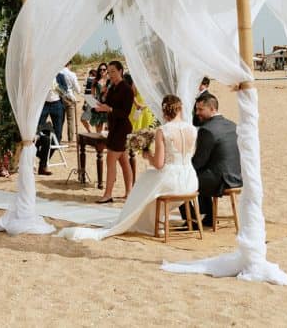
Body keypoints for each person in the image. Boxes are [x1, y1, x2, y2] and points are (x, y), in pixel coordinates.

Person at [58, 95, 198, 241]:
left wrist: (147, 154)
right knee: (149, 182)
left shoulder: (163, 131)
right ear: (180, 109)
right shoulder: (193, 129)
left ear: (164, 112)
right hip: (190, 180)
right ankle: (154, 221)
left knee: (144, 181)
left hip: (173, 181)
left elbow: (158, 164)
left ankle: (141, 221)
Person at [190, 94, 243, 227]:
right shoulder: (232, 125)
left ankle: (192, 219)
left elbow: (199, 161)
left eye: (201, 110)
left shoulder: (207, 130)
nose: (197, 113)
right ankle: (208, 215)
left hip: (220, 179)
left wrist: (183, 166)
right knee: (201, 174)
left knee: (181, 179)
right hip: (236, 176)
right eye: (197, 109)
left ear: (212, 109)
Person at [95, 61, 135, 203]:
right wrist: (102, 105)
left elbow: (125, 113)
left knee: (110, 159)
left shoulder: (127, 89)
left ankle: (108, 194)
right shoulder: (112, 87)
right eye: (109, 72)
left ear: (120, 71)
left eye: (113, 71)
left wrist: (109, 109)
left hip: (122, 129)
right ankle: (129, 193)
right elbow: (109, 104)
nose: (110, 74)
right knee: (124, 161)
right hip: (113, 127)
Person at [56, 61, 81, 143]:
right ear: (69, 64)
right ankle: (70, 139)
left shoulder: (57, 72)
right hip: (70, 97)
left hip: (59, 97)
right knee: (70, 119)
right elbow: (78, 89)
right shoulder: (72, 74)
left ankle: (58, 138)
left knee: (60, 119)